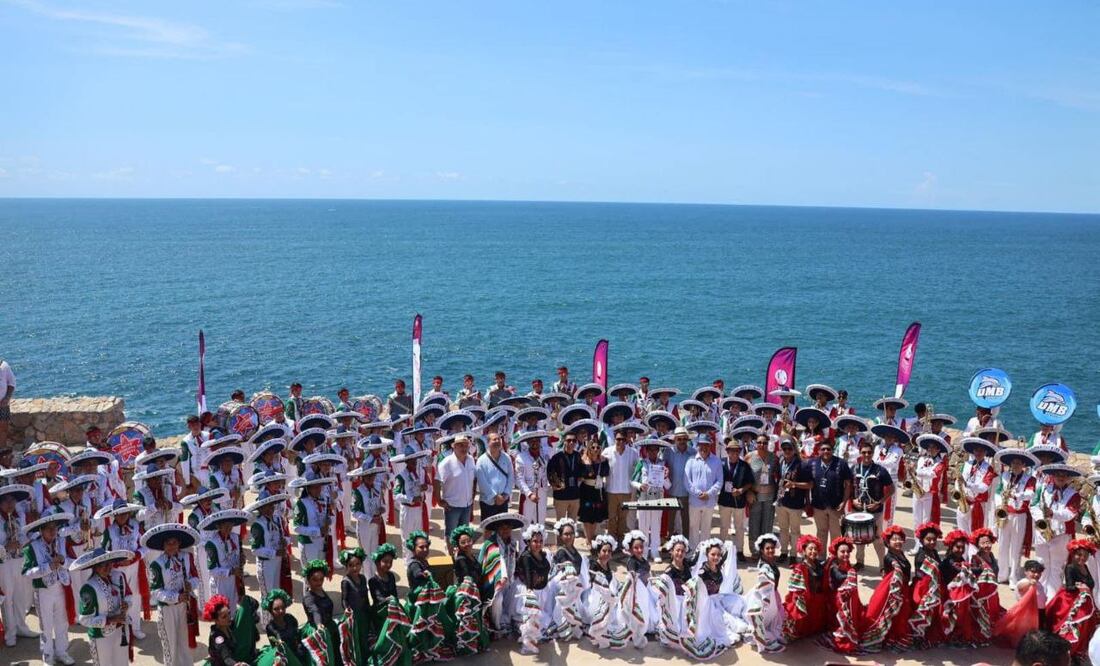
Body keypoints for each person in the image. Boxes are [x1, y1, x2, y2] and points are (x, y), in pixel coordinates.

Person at [143, 523, 202, 666]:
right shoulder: (157, 564)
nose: (171, 546)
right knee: (170, 643)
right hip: (167, 609)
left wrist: (190, 584)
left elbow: (195, 578)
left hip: (185, 606)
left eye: (174, 543)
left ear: (179, 543)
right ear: (163, 546)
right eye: (168, 544)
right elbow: (155, 591)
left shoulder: (187, 557)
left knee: (184, 641)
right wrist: (176, 597)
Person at [22, 512, 75, 666]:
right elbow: (26, 572)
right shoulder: (32, 546)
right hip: (43, 591)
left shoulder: (63, 542)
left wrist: (63, 560)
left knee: (62, 622)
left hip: (61, 588)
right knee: (46, 624)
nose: (52, 531)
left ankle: (61, 652)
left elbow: (73, 563)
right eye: (48, 528)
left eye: (55, 528)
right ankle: (48, 656)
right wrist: (48, 567)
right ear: (41, 530)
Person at [72, 547, 134, 666]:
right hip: (101, 636)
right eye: (102, 565)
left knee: (122, 663)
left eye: (109, 563)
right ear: (95, 567)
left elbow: (129, 596)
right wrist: (111, 620)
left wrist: (127, 604)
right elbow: (84, 619)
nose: (107, 568)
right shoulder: (89, 588)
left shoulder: (119, 576)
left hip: (121, 630)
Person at [96, 498, 147, 637]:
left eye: (125, 513)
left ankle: (135, 627)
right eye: (119, 513)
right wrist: (115, 563)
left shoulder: (136, 526)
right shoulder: (109, 531)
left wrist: (136, 556)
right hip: (117, 570)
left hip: (134, 567)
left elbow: (144, 546)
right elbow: (103, 552)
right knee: (119, 598)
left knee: (135, 596)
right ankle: (121, 627)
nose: (122, 516)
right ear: (114, 515)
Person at [1032, 464, 1084, 600]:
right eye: (1058, 475)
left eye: (1064, 475)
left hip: (1061, 536)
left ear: (1068, 478)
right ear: (1052, 476)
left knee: (1056, 568)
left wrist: (1053, 514)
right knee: (1041, 564)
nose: (1061, 477)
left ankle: (1052, 599)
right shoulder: (1043, 488)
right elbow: (1033, 505)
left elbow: (1070, 513)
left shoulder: (1074, 495)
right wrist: (1040, 519)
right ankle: (1040, 596)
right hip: (1042, 532)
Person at [861, 524, 913, 651]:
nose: (897, 542)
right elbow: (896, 570)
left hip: (903, 589)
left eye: (899, 539)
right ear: (888, 542)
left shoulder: (901, 554)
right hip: (892, 592)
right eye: (894, 539)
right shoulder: (889, 558)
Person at [1046, 539, 1098, 657]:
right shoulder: (1070, 567)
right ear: (1073, 555)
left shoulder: (1085, 567)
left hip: (1085, 601)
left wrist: (1085, 588)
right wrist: (1081, 588)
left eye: (1085, 555)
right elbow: (1069, 587)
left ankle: (1077, 651)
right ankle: (1067, 651)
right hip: (1070, 601)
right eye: (1079, 555)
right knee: (1072, 626)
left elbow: (1091, 584)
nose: (1082, 558)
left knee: (1084, 628)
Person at [995, 448, 1040, 584]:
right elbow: (998, 491)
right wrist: (999, 506)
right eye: (1013, 463)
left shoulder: (1030, 479)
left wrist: (1016, 494)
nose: (1015, 465)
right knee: (1002, 545)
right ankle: (1002, 574)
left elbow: (1031, 494)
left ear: (1023, 465)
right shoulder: (1005, 476)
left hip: (1019, 515)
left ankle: (1013, 577)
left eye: (1018, 463)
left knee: (1016, 548)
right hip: (1005, 513)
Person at [0, 483, 35, 645]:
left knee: (20, 595)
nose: (9, 504)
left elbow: (23, 537)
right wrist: (6, 547)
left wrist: (24, 540)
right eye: (5, 501)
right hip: (4, 563)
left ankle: (21, 626)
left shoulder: (17, 517)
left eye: (12, 500)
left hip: (19, 559)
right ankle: (10, 632)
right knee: (8, 597)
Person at [850, 440, 894, 569]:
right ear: (860, 453)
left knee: (877, 538)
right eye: (864, 452)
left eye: (869, 452)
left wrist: (879, 502)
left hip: (875, 510)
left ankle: (882, 565)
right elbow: (848, 487)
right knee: (858, 536)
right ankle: (860, 562)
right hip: (857, 509)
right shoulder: (854, 469)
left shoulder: (880, 470)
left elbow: (891, 489)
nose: (867, 455)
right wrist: (852, 500)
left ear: (873, 453)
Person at [479, 512, 524, 637]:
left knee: (521, 591)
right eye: (503, 528)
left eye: (508, 528)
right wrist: (500, 579)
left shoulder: (513, 543)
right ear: (497, 529)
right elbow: (489, 567)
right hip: (493, 584)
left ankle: (511, 621)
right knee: (497, 599)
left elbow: (515, 560)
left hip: (510, 580)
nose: (506, 530)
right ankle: (496, 625)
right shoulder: (490, 545)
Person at [246, 493, 288, 622]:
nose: (270, 509)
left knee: (276, 590)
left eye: (271, 505)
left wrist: (285, 541)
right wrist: (275, 552)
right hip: (266, 564)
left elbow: (284, 535)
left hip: (277, 560)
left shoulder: (277, 519)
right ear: (261, 508)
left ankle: (275, 618)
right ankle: (266, 622)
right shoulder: (257, 525)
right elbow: (255, 549)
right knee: (267, 594)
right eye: (266, 506)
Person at [198, 509, 248, 615]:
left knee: (234, 610)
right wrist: (230, 571)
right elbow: (212, 570)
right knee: (222, 613)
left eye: (230, 525)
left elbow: (238, 557)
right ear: (218, 527)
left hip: (235, 581)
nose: (228, 528)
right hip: (220, 583)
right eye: (225, 526)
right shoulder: (212, 544)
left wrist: (242, 559)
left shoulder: (235, 537)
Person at [515, 523, 555, 653]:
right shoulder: (526, 557)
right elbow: (527, 575)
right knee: (530, 620)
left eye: (540, 541)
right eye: (534, 541)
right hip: (530, 592)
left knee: (543, 620)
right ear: (528, 542)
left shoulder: (543, 555)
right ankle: (528, 643)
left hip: (542, 590)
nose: (538, 544)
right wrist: (530, 596)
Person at [585, 533, 628, 650]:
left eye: (609, 551)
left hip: (608, 594)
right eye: (604, 551)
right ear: (598, 552)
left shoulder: (608, 565)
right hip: (596, 596)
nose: (607, 554)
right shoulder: (594, 565)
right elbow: (594, 583)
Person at [631, 439, 671, 560]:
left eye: (655, 449)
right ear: (646, 451)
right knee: (643, 525)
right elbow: (632, 480)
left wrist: (664, 477)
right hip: (643, 498)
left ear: (658, 451)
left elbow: (669, 485)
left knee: (656, 525)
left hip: (658, 498)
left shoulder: (663, 464)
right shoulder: (641, 463)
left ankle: (654, 551)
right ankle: (642, 551)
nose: (653, 452)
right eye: (650, 449)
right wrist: (640, 486)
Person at [782, 534, 827, 641]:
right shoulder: (800, 568)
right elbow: (795, 590)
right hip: (807, 601)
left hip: (817, 601)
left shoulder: (819, 565)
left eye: (815, 549)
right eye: (810, 549)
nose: (813, 551)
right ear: (804, 551)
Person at [821, 535, 862, 654]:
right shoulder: (833, 567)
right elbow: (841, 583)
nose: (845, 554)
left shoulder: (848, 566)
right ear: (836, 552)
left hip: (845, 600)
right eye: (842, 552)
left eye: (847, 552)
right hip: (836, 603)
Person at [774, 438, 812, 563]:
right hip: (781, 501)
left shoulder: (802, 464)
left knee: (795, 531)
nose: (787, 451)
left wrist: (794, 484)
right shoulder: (780, 461)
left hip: (795, 502)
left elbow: (810, 485)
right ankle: (784, 552)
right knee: (783, 529)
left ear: (794, 449)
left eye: (789, 448)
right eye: (784, 448)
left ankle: (793, 555)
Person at [745, 533, 785, 653]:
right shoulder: (764, 566)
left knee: (774, 618)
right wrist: (766, 600)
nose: (770, 550)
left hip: (773, 594)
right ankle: (764, 637)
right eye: (767, 548)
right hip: (766, 596)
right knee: (764, 617)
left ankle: (771, 633)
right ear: (762, 550)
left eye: (772, 548)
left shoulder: (771, 561)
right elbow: (763, 582)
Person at [808, 439, 851, 548]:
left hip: (836, 506)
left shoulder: (841, 463)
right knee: (821, 533)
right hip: (818, 505)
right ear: (819, 451)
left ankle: (834, 560)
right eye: (823, 449)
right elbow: (808, 484)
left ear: (832, 450)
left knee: (836, 534)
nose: (826, 451)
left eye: (828, 449)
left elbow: (848, 485)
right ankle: (821, 559)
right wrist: (808, 503)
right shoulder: (812, 463)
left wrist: (844, 503)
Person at [909, 521, 945, 649]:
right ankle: (918, 636)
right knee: (922, 611)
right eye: (928, 539)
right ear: (922, 540)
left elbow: (941, 567)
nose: (931, 542)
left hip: (932, 586)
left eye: (934, 540)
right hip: (922, 587)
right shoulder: (921, 555)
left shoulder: (934, 552)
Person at [717, 439, 754, 558]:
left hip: (739, 501)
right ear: (727, 452)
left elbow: (750, 482)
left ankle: (739, 550)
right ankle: (721, 550)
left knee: (739, 527)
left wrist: (741, 490)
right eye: (731, 451)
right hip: (724, 500)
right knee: (724, 526)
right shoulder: (721, 463)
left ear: (739, 452)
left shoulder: (744, 465)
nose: (734, 454)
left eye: (736, 451)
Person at [601, 429, 639, 545]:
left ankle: (621, 540)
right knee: (612, 518)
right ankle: (612, 540)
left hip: (626, 490)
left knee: (623, 518)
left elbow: (638, 469)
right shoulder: (607, 451)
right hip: (611, 490)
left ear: (626, 439)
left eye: (623, 439)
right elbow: (598, 461)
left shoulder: (633, 452)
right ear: (615, 439)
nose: (621, 442)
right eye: (618, 439)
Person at [684, 434, 722, 547]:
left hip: (709, 501)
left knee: (706, 527)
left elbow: (720, 481)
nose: (704, 448)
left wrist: (709, 493)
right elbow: (687, 481)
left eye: (706, 445)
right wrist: (698, 493)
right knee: (693, 527)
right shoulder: (691, 461)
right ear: (697, 446)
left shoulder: (716, 461)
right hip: (695, 501)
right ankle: (693, 551)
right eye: (701, 445)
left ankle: (704, 551)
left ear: (710, 446)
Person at [437, 433, 477, 540]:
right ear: (453, 446)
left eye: (465, 445)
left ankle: (461, 554)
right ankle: (451, 555)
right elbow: (437, 481)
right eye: (460, 445)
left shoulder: (471, 460)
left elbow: (473, 479)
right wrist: (439, 500)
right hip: (452, 506)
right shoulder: (446, 463)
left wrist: (472, 497)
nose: (464, 448)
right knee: (451, 534)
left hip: (467, 504)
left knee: (464, 534)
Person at [301, 558, 340, 665]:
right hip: (317, 630)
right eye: (315, 579)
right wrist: (318, 624)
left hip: (329, 627)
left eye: (321, 579)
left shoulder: (321, 591)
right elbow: (315, 611)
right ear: (308, 580)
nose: (319, 582)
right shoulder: (308, 598)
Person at [348, 465, 385, 578]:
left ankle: (373, 576)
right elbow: (354, 512)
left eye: (372, 475)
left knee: (374, 551)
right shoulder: (358, 491)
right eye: (367, 476)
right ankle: (368, 578)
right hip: (365, 526)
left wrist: (382, 509)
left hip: (376, 525)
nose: (370, 478)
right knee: (366, 553)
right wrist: (370, 519)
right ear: (363, 477)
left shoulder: (378, 488)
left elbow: (382, 504)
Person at [745, 434, 778, 558]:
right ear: (755, 443)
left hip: (770, 496)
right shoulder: (749, 457)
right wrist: (748, 491)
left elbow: (778, 476)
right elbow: (744, 476)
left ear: (768, 443)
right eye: (759, 442)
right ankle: (754, 551)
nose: (761, 445)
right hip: (755, 496)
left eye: (764, 443)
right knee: (754, 524)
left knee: (767, 524)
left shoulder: (773, 458)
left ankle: (766, 551)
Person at [911, 433, 950, 535]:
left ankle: (923, 544)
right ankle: (917, 544)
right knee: (916, 519)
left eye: (933, 448)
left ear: (938, 450)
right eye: (929, 447)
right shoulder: (921, 459)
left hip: (929, 493)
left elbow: (933, 473)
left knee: (925, 520)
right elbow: (919, 472)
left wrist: (916, 472)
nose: (930, 449)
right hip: (918, 491)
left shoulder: (940, 463)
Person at [871, 423, 907, 526]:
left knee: (889, 506)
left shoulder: (898, 450)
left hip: (890, 481)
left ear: (895, 438)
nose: (889, 438)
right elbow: (874, 460)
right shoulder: (878, 447)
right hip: (877, 480)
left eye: (892, 437)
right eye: (887, 436)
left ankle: (887, 530)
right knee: (876, 503)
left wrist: (877, 463)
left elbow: (892, 463)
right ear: (884, 437)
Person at [338, 547, 370, 664]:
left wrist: (368, 611)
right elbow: (344, 599)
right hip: (354, 617)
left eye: (358, 564)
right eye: (351, 565)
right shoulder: (346, 581)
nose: (355, 568)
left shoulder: (362, 578)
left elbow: (366, 597)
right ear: (346, 566)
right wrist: (346, 609)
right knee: (355, 641)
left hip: (363, 615)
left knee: (364, 638)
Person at [663, 427, 696, 539]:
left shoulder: (693, 452)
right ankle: (670, 540)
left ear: (687, 439)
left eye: (684, 439)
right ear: (675, 440)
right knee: (670, 518)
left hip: (686, 491)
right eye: (679, 439)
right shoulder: (668, 451)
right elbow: (662, 466)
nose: (682, 441)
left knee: (686, 518)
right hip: (672, 490)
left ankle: (686, 541)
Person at [259, 589, 307, 666]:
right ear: (270, 610)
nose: (281, 611)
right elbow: (276, 635)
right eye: (276, 609)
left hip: (297, 652)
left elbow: (297, 635)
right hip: (283, 657)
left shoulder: (290, 618)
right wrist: (280, 640)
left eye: (283, 607)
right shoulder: (270, 627)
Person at [515, 433, 550, 532]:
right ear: (528, 443)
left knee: (541, 521)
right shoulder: (521, 457)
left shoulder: (544, 455)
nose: (535, 443)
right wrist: (529, 494)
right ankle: (523, 547)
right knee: (525, 522)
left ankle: (539, 544)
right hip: (528, 494)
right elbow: (519, 478)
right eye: (532, 441)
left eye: (537, 441)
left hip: (542, 492)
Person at [578, 438, 610, 544]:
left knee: (596, 514)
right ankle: (588, 538)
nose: (595, 449)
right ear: (589, 448)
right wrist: (588, 466)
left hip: (598, 490)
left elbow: (606, 473)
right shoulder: (583, 460)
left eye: (598, 447)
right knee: (587, 515)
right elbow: (581, 475)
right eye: (593, 447)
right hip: (586, 490)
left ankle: (591, 537)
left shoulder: (603, 460)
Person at [476, 432, 515, 520]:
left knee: (501, 529)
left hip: (503, 500)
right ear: (488, 442)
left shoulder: (506, 457)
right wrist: (495, 496)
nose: (497, 441)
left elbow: (511, 476)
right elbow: (482, 482)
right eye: (494, 439)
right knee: (488, 530)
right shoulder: (481, 460)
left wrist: (505, 494)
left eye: (499, 439)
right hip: (487, 501)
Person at [393, 449, 431, 537]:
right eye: (411, 460)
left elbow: (413, 489)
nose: (414, 462)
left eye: (415, 460)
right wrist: (411, 499)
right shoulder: (401, 476)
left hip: (417, 508)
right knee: (407, 538)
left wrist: (422, 488)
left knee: (417, 536)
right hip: (407, 510)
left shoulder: (415, 474)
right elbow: (396, 495)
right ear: (406, 462)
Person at [548, 432, 583, 522]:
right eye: (569, 440)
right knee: (560, 524)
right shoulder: (557, 457)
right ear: (564, 441)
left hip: (575, 495)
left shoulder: (578, 456)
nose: (571, 442)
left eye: (574, 441)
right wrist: (553, 484)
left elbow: (581, 470)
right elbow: (549, 471)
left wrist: (580, 477)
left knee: (572, 524)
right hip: (561, 496)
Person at [0, 359, 14, 450]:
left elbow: (11, 383)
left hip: (2, 405)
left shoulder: (4, 367)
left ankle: (2, 452)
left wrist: (7, 398)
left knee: (3, 430)